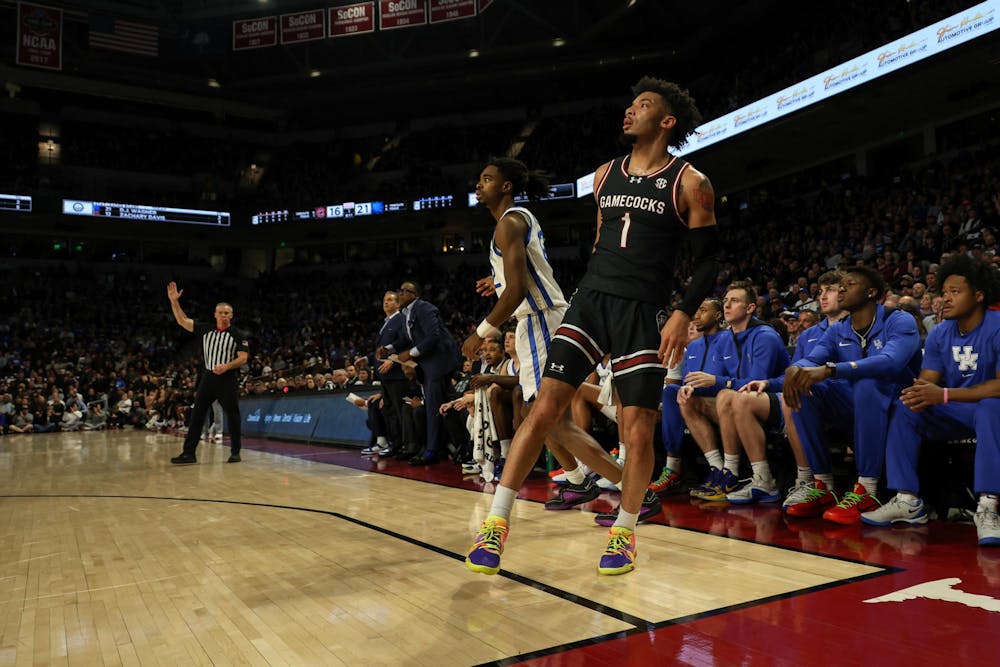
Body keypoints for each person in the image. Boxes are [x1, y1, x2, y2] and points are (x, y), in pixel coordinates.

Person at [466, 76, 720, 576]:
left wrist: (682, 312)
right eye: (631, 103)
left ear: (666, 121)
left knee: (637, 428)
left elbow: (708, 261)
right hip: (590, 302)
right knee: (543, 410)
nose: (630, 110)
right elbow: (604, 241)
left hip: (643, 311)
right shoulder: (605, 175)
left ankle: (624, 532)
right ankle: (496, 524)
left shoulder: (691, 182)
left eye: (643, 104)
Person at [463, 156, 622, 510]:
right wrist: (497, 279)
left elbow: (519, 289)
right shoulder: (514, 221)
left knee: (549, 419)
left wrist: (482, 331)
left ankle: (633, 491)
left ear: (505, 186)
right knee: (538, 416)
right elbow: (520, 275)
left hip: (541, 322)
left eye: (487, 179)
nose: (479, 184)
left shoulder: (509, 222)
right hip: (537, 322)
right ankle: (580, 482)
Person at [861, 255, 1000, 546]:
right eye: (943, 292)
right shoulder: (940, 333)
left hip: (990, 411)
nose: (945, 298)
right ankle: (907, 499)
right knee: (907, 406)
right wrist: (918, 393)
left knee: (991, 407)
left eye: (954, 291)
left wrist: (944, 394)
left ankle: (988, 506)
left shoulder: (997, 326)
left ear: (979, 295)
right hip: (957, 411)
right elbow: (927, 383)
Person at [783, 266, 922, 524]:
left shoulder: (898, 319)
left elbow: (891, 361)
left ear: (871, 292)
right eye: (840, 286)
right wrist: (795, 369)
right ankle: (823, 485)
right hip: (858, 406)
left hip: (899, 404)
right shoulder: (838, 329)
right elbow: (812, 359)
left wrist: (832, 370)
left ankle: (867, 489)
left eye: (849, 285)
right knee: (806, 386)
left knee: (867, 383)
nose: (841, 289)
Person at [731, 271, 845, 508]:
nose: (823, 296)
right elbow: (791, 374)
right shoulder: (809, 335)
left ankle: (811, 480)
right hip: (808, 399)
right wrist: (767, 383)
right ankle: (769, 479)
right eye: (821, 291)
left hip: (842, 400)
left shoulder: (856, 328)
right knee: (745, 398)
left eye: (831, 290)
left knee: (797, 394)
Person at [680, 281, 789, 502]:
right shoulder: (725, 339)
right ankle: (721, 470)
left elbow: (753, 384)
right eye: (726, 301)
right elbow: (724, 380)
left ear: (750, 308)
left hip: (775, 403)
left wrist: (717, 382)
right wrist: (693, 387)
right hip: (740, 402)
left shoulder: (764, 336)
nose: (727, 305)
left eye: (735, 301)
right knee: (689, 400)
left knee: (728, 395)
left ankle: (743, 473)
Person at [167, 282, 250, 464]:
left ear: (231, 315)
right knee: (197, 415)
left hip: (227, 379)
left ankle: (235, 452)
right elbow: (182, 320)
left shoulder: (238, 335)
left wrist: (227, 366)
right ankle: (189, 453)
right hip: (208, 378)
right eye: (221, 312)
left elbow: (243, 358)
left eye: (226, 313)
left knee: (233, 415)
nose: (223, 315)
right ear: (215, 314)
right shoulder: (206, 329)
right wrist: (174, 302)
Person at [379, 281, 460, 465]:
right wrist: (389, 348)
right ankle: (438, 447)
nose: (400, 293)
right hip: (428, 364)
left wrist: (411, 353)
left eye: (404, 291)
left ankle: (432, 451)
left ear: (414, 295)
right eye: (399, 290)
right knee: (436, 407)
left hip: (439, 362)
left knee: (432, 407)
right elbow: (406, 339)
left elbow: (434, 336)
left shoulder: (425, 308)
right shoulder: (406, 314)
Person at [651, 298, 724, 495]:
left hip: (721, 400)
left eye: (703, 310)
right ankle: (672, 469)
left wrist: (705, 385)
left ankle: (719, 471)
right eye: (697, 310)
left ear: (718, 316)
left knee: (679, 397)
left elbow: (730, 377)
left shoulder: (727, 339)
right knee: (671, 393)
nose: (696, 315)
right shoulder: (693, 347)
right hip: (694, 402)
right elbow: (685, 383)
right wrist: (687, 389)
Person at [356, 291, 407, 456]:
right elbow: (380, 351)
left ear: (398, 304)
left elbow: (405, 343)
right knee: (389, 412)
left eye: (390, 300)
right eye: (384, 300)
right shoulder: (387, 322)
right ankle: (394, 444)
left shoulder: (401, 319)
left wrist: (394, 360)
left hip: (397, 374)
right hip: (385, 376)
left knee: (399, 412)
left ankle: (404, 445)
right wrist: (367, 359)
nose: (386, 302)